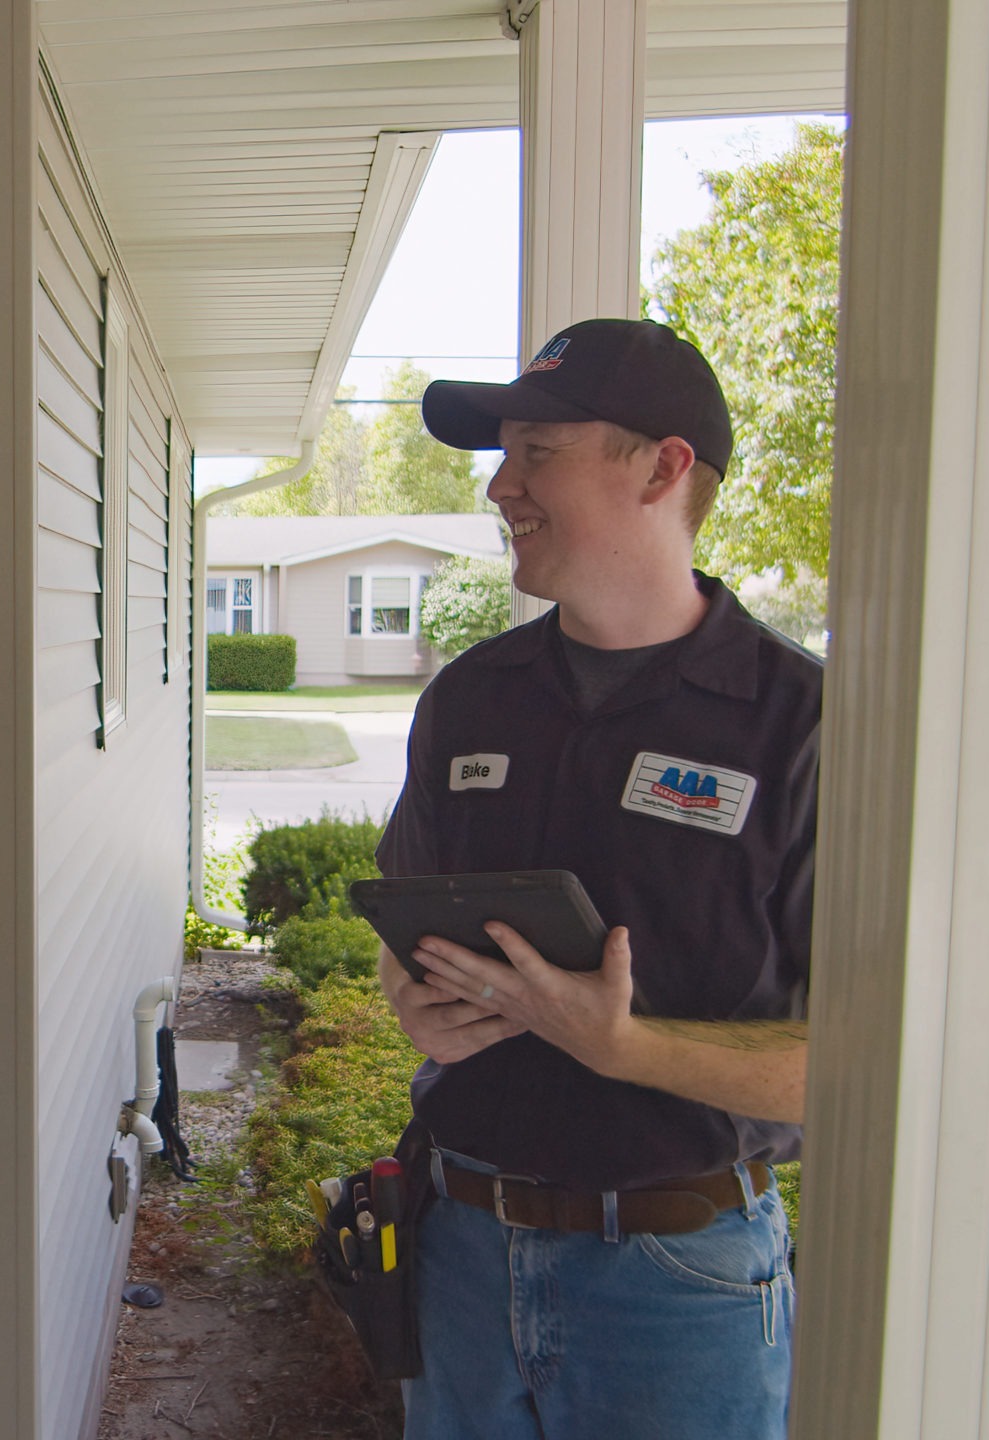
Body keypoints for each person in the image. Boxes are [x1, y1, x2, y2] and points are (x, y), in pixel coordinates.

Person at [378, 318, 820, 1438]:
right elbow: (405, 929)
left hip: (680, 1283)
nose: (499, 486)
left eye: (538, 451)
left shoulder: (804, 726)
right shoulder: (470, 699)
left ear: (663, 467)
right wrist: (412, 1001)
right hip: (462, 1250)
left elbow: (861, 1068)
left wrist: (625, 1047)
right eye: (502, 454)